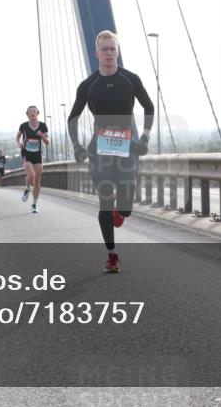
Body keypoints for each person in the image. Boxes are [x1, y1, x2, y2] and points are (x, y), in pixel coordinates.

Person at [69, 31, 153, 273]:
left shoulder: (130, 80)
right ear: (96, 53)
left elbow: (149, 107)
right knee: (105, 202)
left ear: (117, 52)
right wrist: (77, 145)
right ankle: (112, 255)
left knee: (125, 207)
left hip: (127, 146)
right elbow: (73, 117)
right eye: (104, 49)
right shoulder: (88, 85)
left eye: (112, 49)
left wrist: (145, 137)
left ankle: (121, 208)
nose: (108, 53)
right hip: (100, 149)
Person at [16, 106, 49, 213]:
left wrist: (42, 136)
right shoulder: (24, 126)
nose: (32, 113)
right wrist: (20, 143)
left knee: (37, 182)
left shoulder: (43, 126)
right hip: (27, 154)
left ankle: (34, 204)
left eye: (34, 111)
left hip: (38, 156)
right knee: (31, 175)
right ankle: (27, 189)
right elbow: (17, 137)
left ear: (37, 113)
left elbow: (47, 142)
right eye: (30, 112)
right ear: (28, 114)